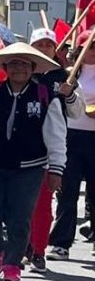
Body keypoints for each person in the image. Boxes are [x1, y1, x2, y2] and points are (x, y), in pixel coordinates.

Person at [0, 43, 65, 281]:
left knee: (20, 217)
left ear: (33, 69)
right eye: (14, 63)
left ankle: (13, 264)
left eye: (24, 64)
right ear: (5, 68)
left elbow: (56, 135)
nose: (19, 69)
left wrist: (56, 169)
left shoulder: (46, 96)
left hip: (31, 167)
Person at [26, 28, 77, 270]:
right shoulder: (19, 70)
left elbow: (76, 113)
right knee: (18, 204)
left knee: (43, 203)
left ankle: (37, 249)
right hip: (19, 148)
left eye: (48, 44)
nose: (44, 48)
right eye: (39, 43)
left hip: (49, 149)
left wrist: (69, 96)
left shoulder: (64, 76)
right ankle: (21, 244)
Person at [47, 30, 95, 260]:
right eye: (90, 46)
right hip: (71, 137)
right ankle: (61, 242)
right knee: (68, 191)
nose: (93, 50)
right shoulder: (69, 75)